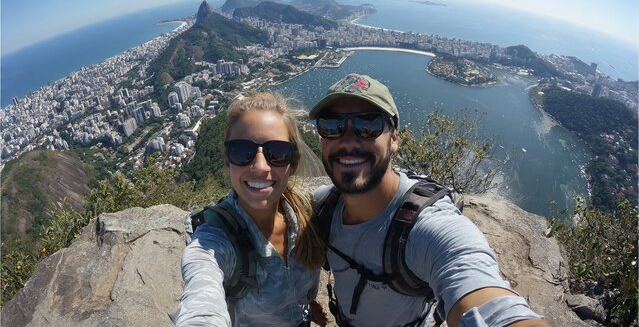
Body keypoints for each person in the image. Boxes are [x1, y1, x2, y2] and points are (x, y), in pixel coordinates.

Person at [309, 73, 550, 327]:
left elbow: (476, 283)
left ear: (393, 139)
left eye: (367, 125)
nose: (347, 140)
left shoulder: (425, 228)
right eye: (331, 125)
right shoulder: (324, 205)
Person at [174, 92, 327, 326]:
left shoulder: (306, 213)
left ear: (293, 163)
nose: (259, 166)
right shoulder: (214, 240)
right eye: (241, 151)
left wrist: (303, 302)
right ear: (227, 161)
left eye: (276, 153)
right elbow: (201, 293)